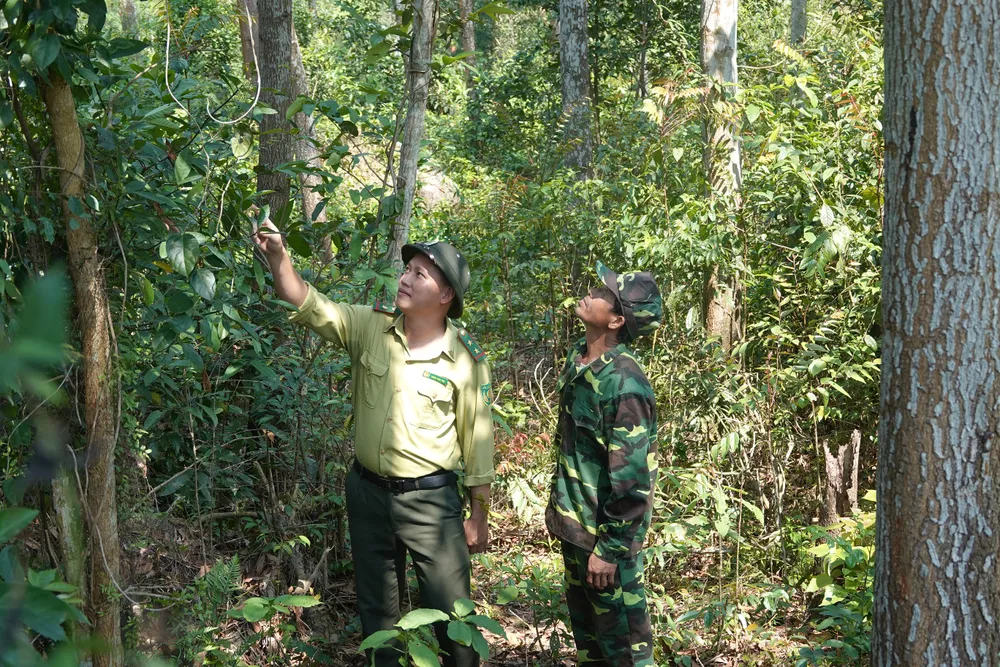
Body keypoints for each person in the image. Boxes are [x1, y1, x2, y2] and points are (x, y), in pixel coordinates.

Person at [253, 222, 494, 667]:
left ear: (445, 297)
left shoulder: (465, 358)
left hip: (432, 501)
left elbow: (477, 438)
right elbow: (305, 300)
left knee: (452, 617)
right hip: (367, 493)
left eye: (420, 274)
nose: (405, 277)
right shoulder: (370, 325)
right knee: (377, 617)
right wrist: (277, 255)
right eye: (408, 270)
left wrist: (478, 515)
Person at [545, 261, 662, 667]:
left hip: (606, 542)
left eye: (602, 295)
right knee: (591, 649)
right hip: (578, 530)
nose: (590, 293)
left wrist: (609, 551)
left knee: (625, 653)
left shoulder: (624, 383)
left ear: (616, 320)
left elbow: (632, 482)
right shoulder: (579, 362)